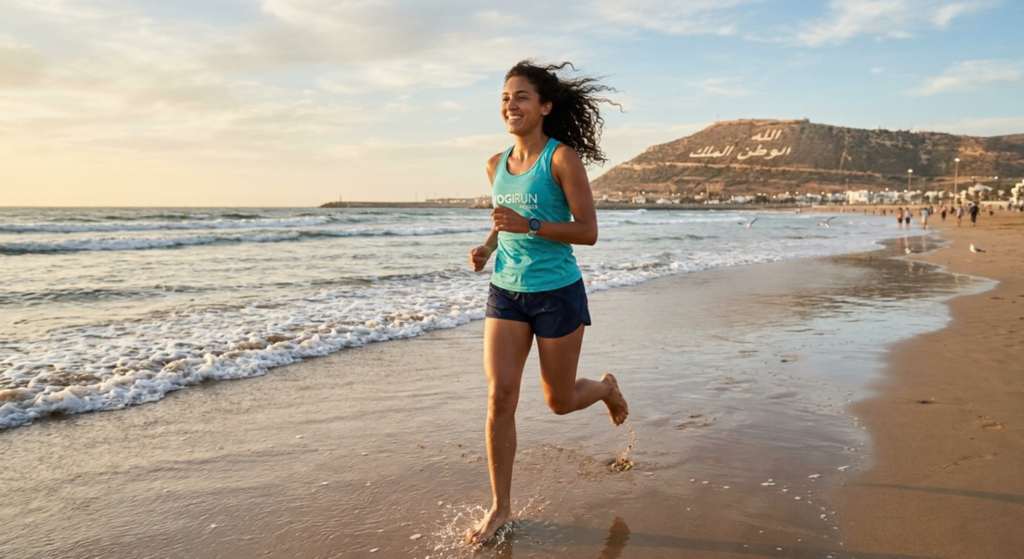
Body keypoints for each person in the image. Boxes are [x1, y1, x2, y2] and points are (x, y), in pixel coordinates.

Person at [465, 60, 629, 545]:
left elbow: (588, 232)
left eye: (520, 97)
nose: (509, 105)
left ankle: (604, 388)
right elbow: (503, 218)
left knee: (558, 402)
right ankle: (500, 507)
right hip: (507, 292)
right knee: (500, 396)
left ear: (544, 106)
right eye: (504, 98)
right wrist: (488, 247)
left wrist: (530, 226)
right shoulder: (496, 164)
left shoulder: (561, 160)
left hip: (556, 292)